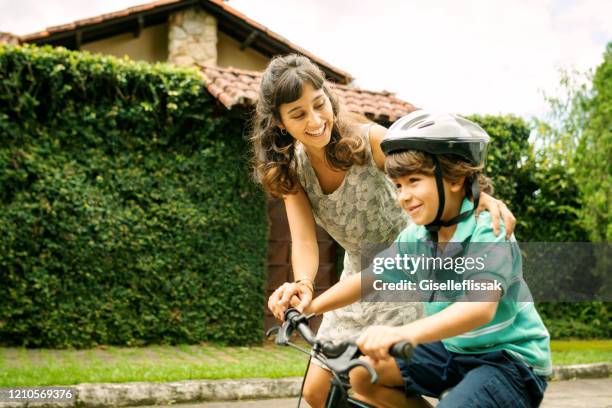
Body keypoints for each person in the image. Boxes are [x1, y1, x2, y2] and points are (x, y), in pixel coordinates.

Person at [250, 54, 517, 408]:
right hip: (357, 273)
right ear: (281, 123)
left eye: (319, 104)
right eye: (298, 114)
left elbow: (426, 170)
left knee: (379, 379)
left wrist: (476, 195)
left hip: (409, 264)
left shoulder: (368, 139)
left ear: (329, 98)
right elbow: (303, 239)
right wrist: (303, 285)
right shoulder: (291, 169)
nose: (315, 120)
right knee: (317, 390)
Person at [296, 111, 551, 408]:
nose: (403, 195)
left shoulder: (488, 229)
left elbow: (479, 309)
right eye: (399, 185)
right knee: (364, 374)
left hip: (508, 361)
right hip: (455, 352)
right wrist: (309, 306)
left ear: (455, 178)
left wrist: (402, 333)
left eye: (414, 181)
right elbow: (369, 279)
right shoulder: (417, 238)